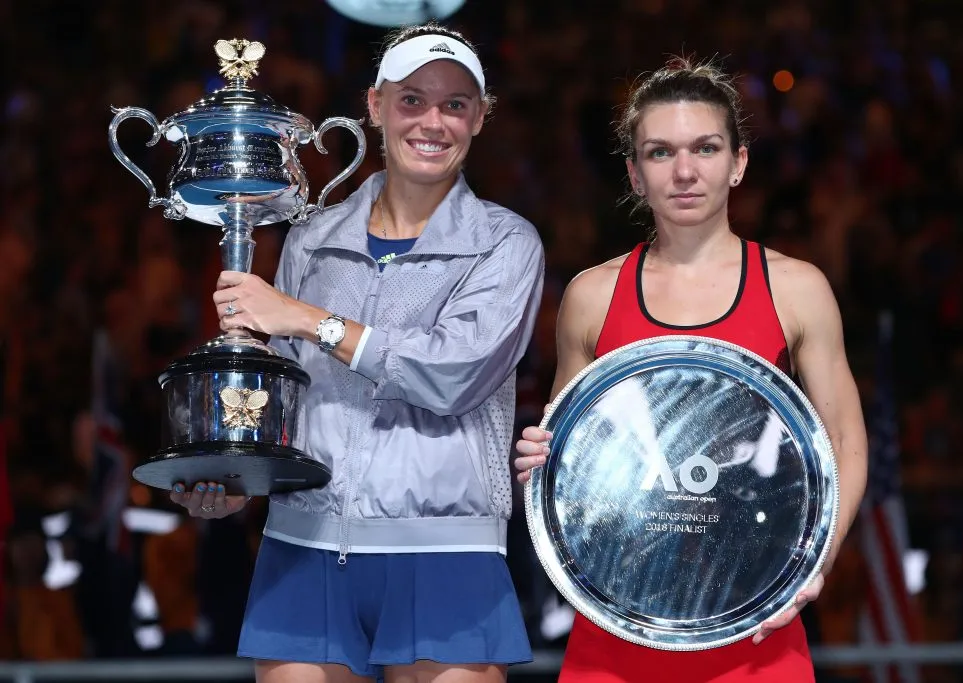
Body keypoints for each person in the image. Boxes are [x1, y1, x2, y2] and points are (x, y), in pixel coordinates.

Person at [170, 23, 544, 683]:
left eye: (455, 103)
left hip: (446, 552)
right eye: (412, 99)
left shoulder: (505, 243)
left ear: (480, 117)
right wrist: (237, 477)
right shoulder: (310, 238)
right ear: (375, 106)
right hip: (301, 545)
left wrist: (311, 320)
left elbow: (452, 373)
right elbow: (280, 401)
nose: (433, 120)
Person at [513, 57, 868, 682]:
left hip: (758, 624)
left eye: (705, 148)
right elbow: (574, 462)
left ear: (738, 162)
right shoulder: (592, 296)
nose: (684, 171)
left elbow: (843, 441)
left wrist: (818, 560)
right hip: (617, 626)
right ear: (633, 171)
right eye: (659, 152)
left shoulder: (796, 288)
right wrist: (539, 458)